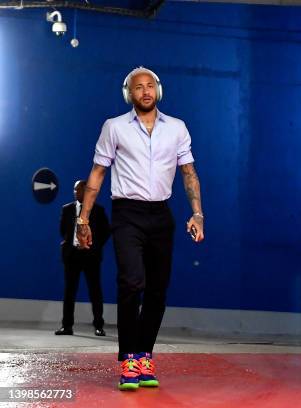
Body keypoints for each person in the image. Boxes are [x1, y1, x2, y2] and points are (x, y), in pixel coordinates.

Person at [76, 66, 205, 390]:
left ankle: (145, 354)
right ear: (128, 94)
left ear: (157, 90)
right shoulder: (114, 127)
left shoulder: (176, 128)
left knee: (158, 290)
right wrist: (83, 219)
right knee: (132, 282)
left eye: (150, 86)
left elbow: (188, 173)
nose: (145, 91)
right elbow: (97, 174)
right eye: (138, 88)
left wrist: (198, 213)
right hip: (127, 213)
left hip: (161, 215)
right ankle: (128, 359)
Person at [56, 180, 110, 337]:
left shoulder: (98, 211)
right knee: (69, 292)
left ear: (86, 191)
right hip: (72, 256)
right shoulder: (66, 209)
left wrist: (94, 246)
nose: (75, 192)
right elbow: (63, 231)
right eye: (74, 189)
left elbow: (106, 231)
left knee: (95, 292)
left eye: (78, 189)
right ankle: (67, 326)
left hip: (91, 257)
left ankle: (99, 326)